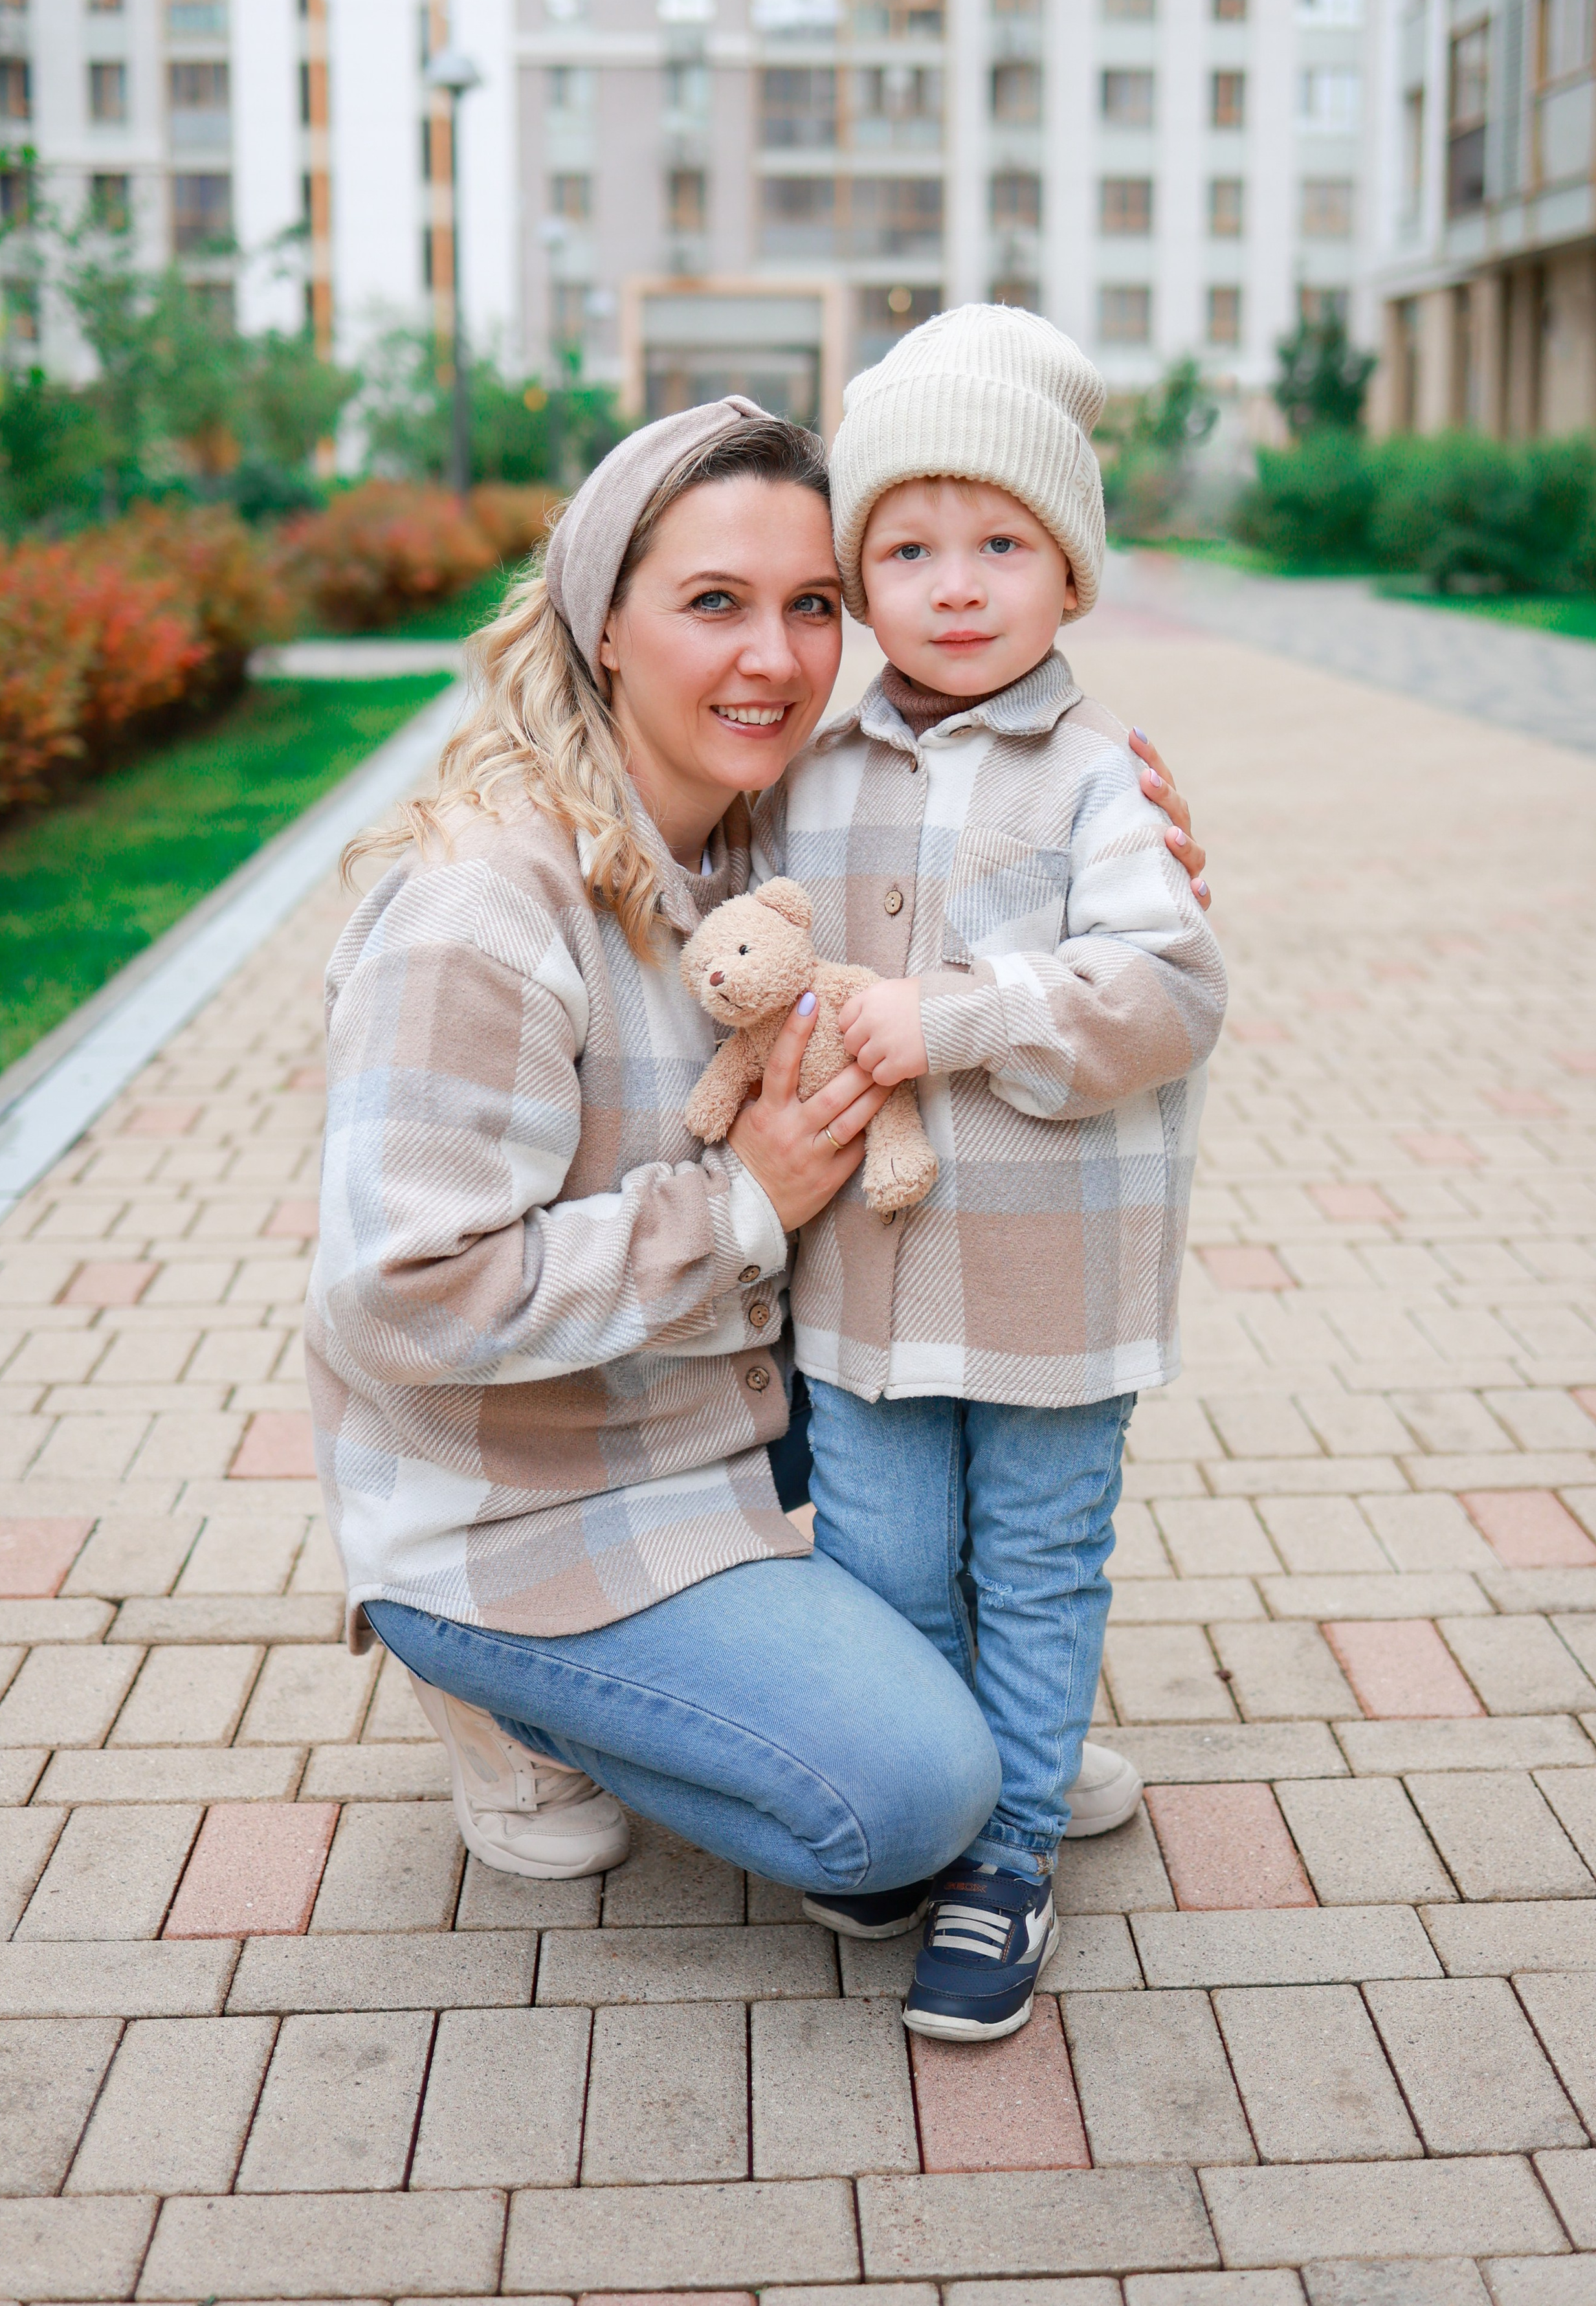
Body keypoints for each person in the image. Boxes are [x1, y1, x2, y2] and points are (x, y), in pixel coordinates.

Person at [307, 394, 1210, 1902]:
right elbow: (398, 1297)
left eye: (810, 606)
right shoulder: (483, 910)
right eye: (712, 603)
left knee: (958, 1424)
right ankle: (507, 1692)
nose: (776, 658)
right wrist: (742, 1202)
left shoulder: (759, 833)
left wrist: (1116, 857)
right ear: (603, 622)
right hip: (523, 1501)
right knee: (905, 1810)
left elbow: (1013, 887)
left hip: (705, 1413)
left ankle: (981, 1724)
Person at [753, 305, 1228, 2039]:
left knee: (1035, 1567)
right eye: (909, 546)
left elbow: (1167, 991)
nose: (957, 584)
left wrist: (947, 1020)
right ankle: (926, 1801)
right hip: (865, 1295)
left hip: (1048, 1289)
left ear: (1072, 573)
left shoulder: (1102, 780)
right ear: (861, 581)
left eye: (1002, 543)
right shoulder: (807, 776)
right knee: (880, 1569)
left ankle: (1008, 1850)